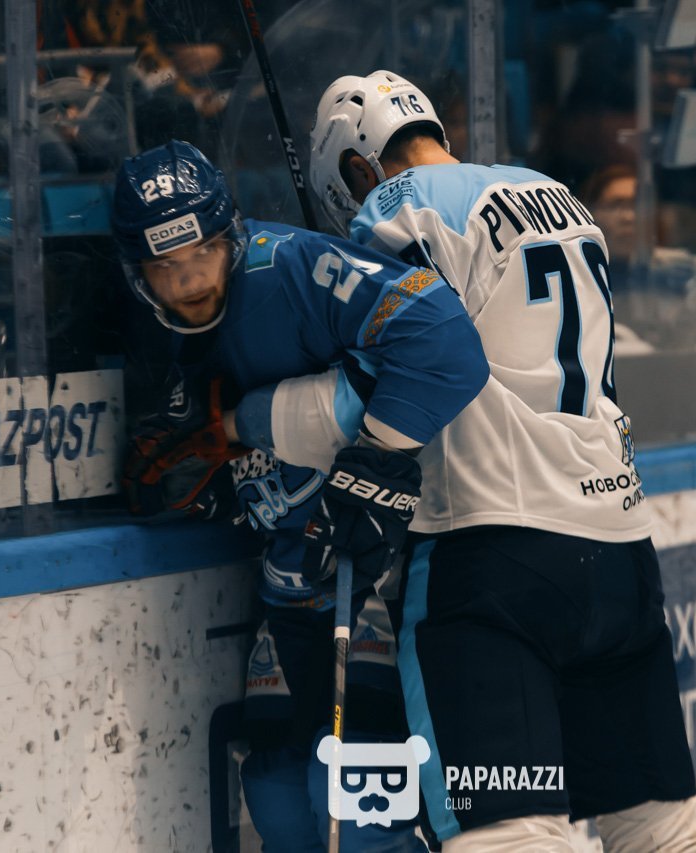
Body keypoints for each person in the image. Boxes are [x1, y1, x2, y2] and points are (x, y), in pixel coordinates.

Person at [310, 69, 696, 851]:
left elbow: (392, 372)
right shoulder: (558, 195)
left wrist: (244, 419)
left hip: (495, 556)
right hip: (619, 552)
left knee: (508, 833)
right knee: (661, 826)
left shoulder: (397, 208)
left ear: (360, 168)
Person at [110, 138, 488, 850]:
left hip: (370, 578)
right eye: (166, 268)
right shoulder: (157, 336)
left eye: (202, 255)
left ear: (231, 237)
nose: (189, 281)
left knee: (360, 805)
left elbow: (444, 342)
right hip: (287, 588)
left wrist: (356, 452)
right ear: (138, 276)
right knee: (278, 791)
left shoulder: (287, 267)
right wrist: (217, 485)